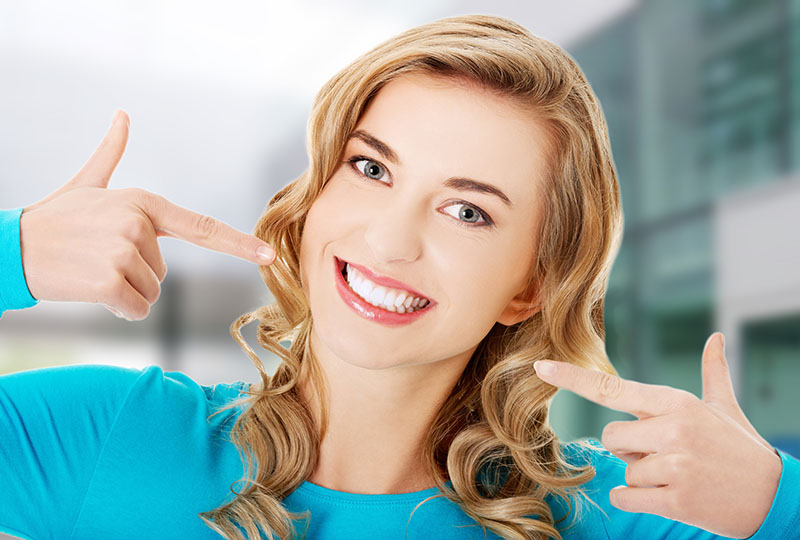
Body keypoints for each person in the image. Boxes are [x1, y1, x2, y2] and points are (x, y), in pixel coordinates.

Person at [1, 14, 798, 540]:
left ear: (530, 286)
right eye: (371, 167)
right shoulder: (105, 434)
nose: (389, 237)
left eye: (468, 212)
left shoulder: (619, 513)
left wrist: (774, 502)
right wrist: (12, 256)